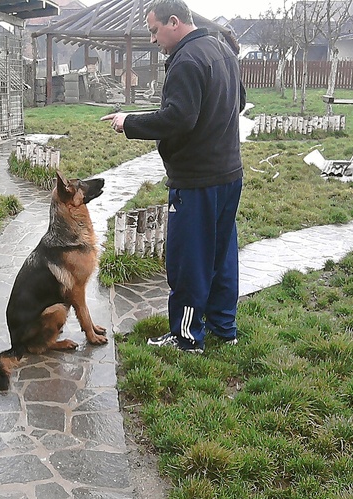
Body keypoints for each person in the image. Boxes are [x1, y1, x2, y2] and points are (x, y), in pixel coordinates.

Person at [101, 0, 246, 353]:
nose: (153, 40)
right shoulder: (221, 49)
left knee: (189, 260)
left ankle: (186, 337)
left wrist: (128, 122)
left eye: (154, 30)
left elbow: (178, 118)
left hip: (196, 181)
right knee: (222, 253)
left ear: (175, 22)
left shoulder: (186, 59)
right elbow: (239, 101)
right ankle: (224, 329)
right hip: (229, 173)